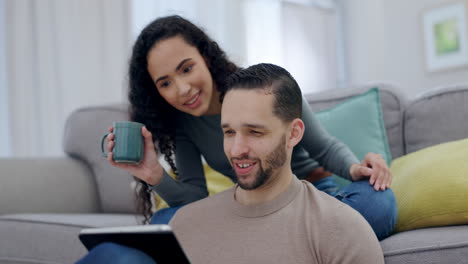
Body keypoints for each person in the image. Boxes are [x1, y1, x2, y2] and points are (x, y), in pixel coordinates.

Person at [104, 15, 396, 239]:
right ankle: (281, 241)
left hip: (311, 198)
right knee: (164, 223)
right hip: (252, 208)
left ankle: (271, 241)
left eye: (186, 68)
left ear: (205, 57)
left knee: (377, 204)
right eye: (165, 83)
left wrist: (354, 168)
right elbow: (193, 199)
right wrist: (155, 175)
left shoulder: (265, 86)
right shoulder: (185, 124)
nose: (182, 89)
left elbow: (324, 147)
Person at [77, 63, 385, 264]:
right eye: (228, 132)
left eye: (254, 132)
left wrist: (356, 169)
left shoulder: (343, 230)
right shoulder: (185, 224)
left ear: (293, 133)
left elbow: (327, 148)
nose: (237, 149)